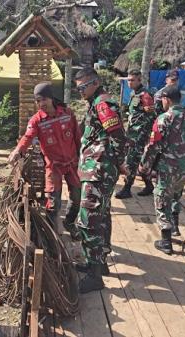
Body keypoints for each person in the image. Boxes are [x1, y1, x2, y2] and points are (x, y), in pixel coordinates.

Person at [73, 68, 127, 293]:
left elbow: (118, 137)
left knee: (89, 220)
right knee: (101, 216)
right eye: (78, 88)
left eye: (83, 87)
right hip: (96, 169)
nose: (80, 92)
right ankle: (98, 263)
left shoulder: (102, 104)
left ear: (95, 83)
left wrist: (113, 162)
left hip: (98, 170)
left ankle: (95, 275)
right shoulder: (96, 103)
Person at [8, 82, 81, 234]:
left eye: (43, 99)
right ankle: (51, 234)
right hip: (53, 166)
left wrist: (81, 157)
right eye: (37, 101)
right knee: (53, 203)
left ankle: (69, 222)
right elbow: (27, 137)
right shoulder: (36, 121)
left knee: (77, 197)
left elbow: (77, 137)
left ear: (51, 98)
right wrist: (17, 150)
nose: (41, 104)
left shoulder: (67, 113)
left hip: (72, 163)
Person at [139, 85, 185, 255]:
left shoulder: (164, 118)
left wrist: (144, 165)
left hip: (167, 167)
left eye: (161, 100)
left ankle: (166, 240)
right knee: (176, 195)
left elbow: (153, 145)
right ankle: (174, 227)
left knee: (161, 198)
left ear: (167, 99)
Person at [114, 69, 155, 199]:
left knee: (131, 160)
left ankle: (127, 189)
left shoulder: (145, 95)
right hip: (132, 132)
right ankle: (149, 185)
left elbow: (151, 115)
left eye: (132, 80)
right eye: (128, 80)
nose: (129, 83)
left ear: (139, 80)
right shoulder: (134, 94)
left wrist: (144, 134)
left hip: (139, 135)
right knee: (136, 160)